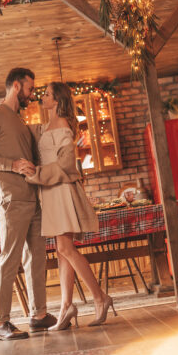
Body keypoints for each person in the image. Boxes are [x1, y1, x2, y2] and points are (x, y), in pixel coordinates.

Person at [0, 68, 57, 340]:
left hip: (32, 197)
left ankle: (38, 316)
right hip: (10, 199)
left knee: (37, 258)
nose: (32, 95)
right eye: (30, 89)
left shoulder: (18, 120)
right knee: (9, 259)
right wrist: (12, 165)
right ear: (17, 86)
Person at [23, 82, 116, 330]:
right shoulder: (44, 127)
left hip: (60, 190)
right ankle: (66, 307)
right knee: (61, 251)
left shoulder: (63, 126)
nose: (42, 97)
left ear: (57, 100)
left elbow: (65, 165)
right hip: (49, 192)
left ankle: (100, 297)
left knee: (65, 247)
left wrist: (35, 174)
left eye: (47, 95)